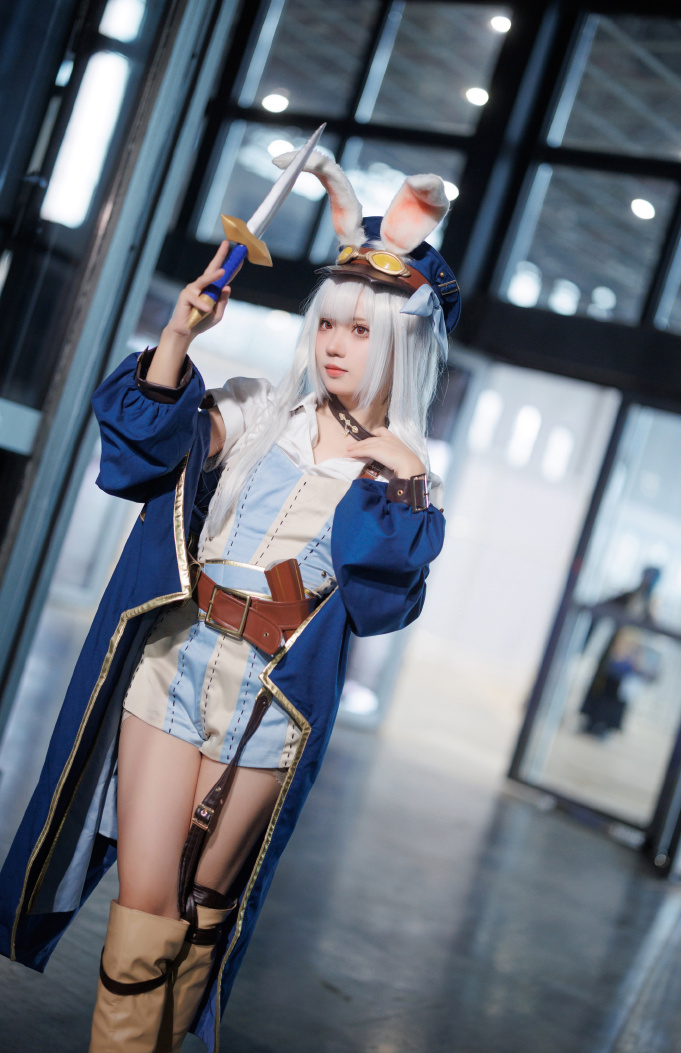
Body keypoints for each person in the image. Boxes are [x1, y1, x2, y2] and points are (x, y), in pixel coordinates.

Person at [0, 150, 460, 1053]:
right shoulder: (259, 411)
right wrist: (179, 335)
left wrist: (406, 476)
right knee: (145, 907)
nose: (335, 344)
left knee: (203, 907)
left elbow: (378, 607)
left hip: (272, 701)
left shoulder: (399, 476)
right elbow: (142, 452)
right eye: (329, 323)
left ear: (404, 343)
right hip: (175, 659)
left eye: (362, 330)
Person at [579, 566, 661, 737]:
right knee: (601, 685)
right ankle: (591, 720)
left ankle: (605, 726)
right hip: (615, 649)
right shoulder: (629, 596)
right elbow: (606, 605)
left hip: (631, 654)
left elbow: (652, 628)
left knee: (617, 691)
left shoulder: (652, 604)